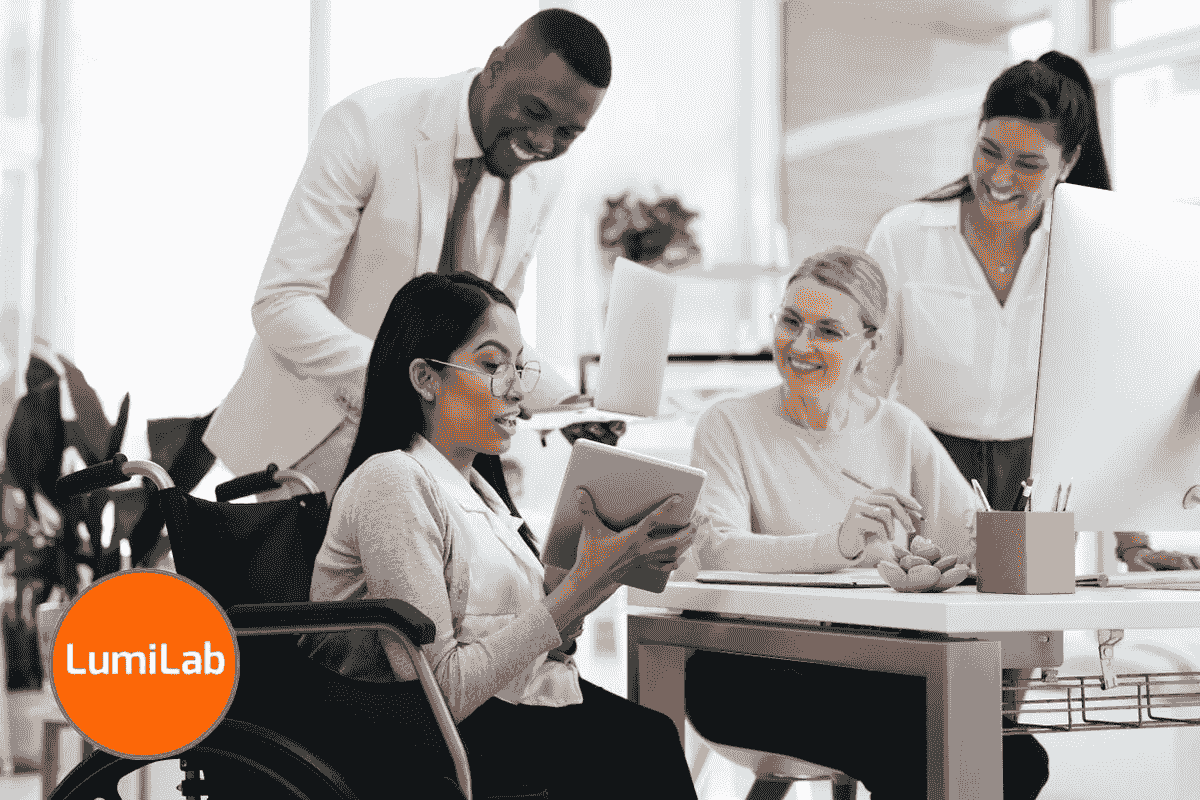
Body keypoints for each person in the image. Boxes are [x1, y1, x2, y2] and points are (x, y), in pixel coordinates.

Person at [304, 271, 702, 799]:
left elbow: (531, 639)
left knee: (647, 734)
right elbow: (440, 691)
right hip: (418, 740)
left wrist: (606, 574)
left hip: (490, 715)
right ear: (425, 378)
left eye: (518, 366)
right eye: (492, 365)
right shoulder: (391, 482)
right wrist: (580, 588)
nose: (516, 388)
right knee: (642, 745)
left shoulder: (480, 493)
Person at [682, 247, 1050, 799]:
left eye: (828, 331)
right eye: (790, 321)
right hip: (746, 671)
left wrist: (938, 567)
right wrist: (839, 544)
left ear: (870, 345)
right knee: (917, 753)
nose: (802, 346)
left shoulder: (897, 429)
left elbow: (969, 540)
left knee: (1017, 759)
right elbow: (717, 552)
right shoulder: (728, 425)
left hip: (880, 669)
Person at [203, 9, 611, 506]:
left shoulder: (541, 180)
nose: (544, 143)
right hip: (307, 445)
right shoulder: (368, 125)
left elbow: (497, 332)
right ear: (497, 65)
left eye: (569, 133)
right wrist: (394, 379)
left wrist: (565, 406)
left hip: (430, 455)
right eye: (535, 112)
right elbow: (282, 303)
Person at [864, 51, 1110, 516]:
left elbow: (1102, 404)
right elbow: (864, 387)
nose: (1000, 177)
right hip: (922, 471)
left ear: (1068, 162)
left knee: (1028, 589)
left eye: (1029, 164)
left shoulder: (1087, 250)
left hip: (1038, 478)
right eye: (989, 151)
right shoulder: (904, 235)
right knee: (927, 583)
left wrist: (1132, 541)